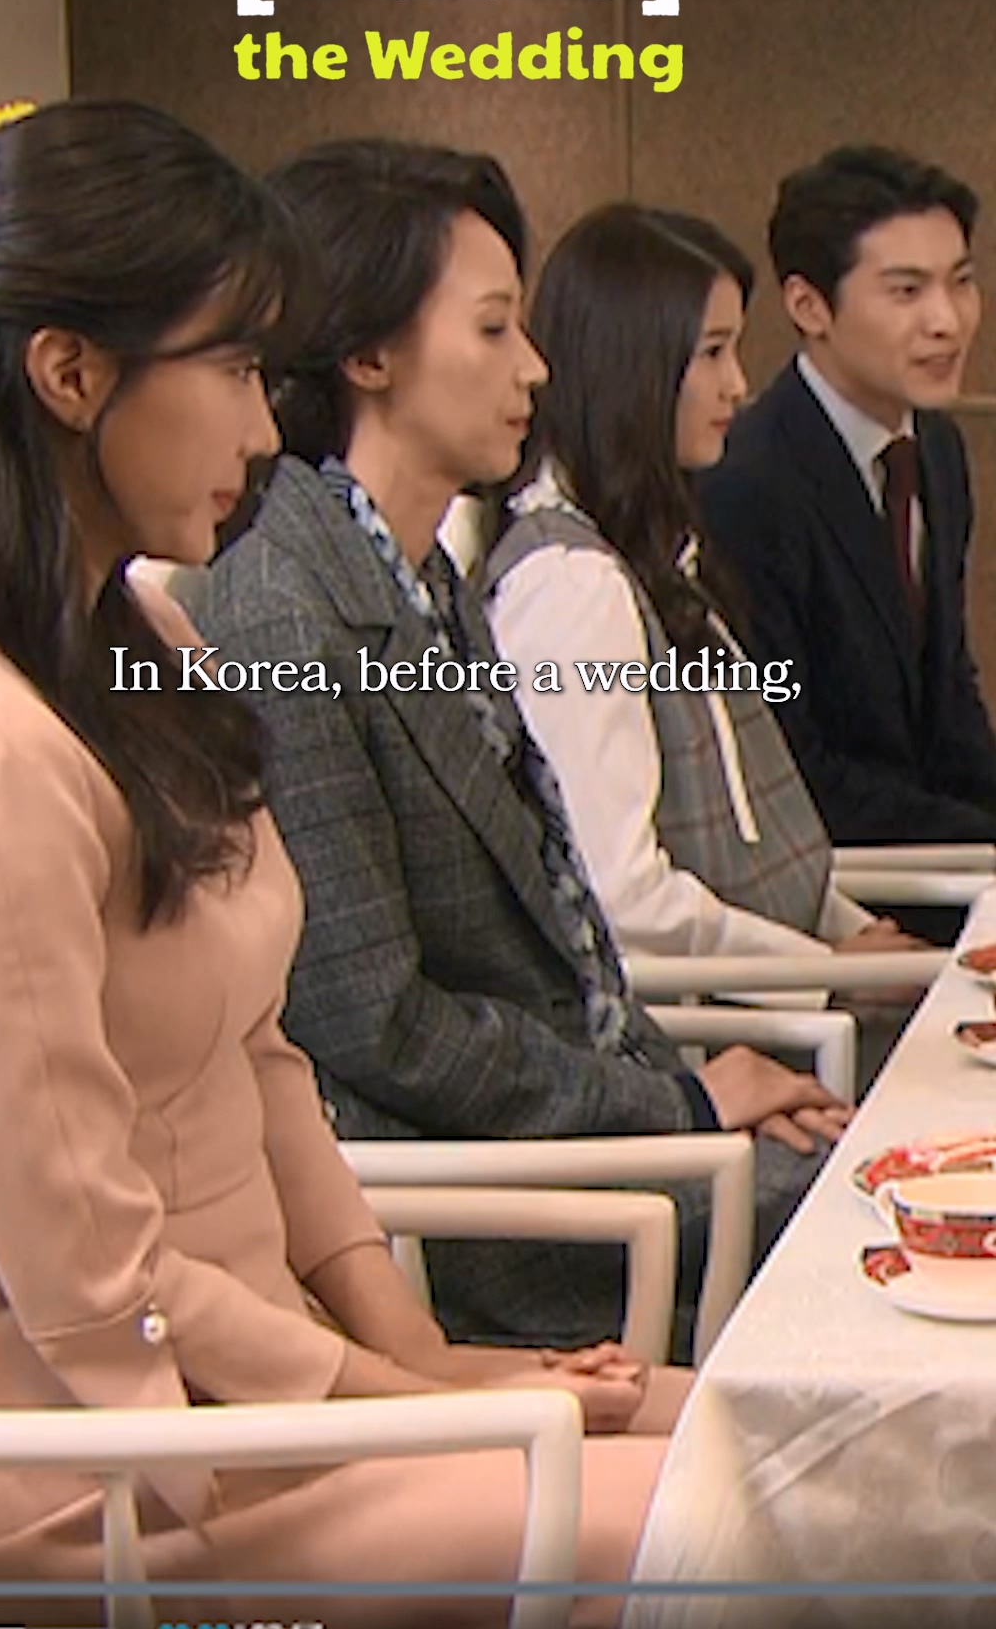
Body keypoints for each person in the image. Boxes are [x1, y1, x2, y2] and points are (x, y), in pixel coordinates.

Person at [0, 100, 687, 1629]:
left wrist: (407, 1347)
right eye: (230, 372)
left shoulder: (152, 652)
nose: (270, 432)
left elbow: (264, 1059)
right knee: (739, 1516)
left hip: (256, 1396)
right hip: (92, 1471)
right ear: (71, 374)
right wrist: (397, 1391)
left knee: (759, 1424)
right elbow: (89, 1285)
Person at [180, 138, 852, 1367]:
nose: (534, 368)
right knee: (877, 1228)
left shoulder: (420, 570)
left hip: (587, 1146)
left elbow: (563, 944)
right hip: (479, 1218)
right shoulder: (285, 603)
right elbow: (374, 1022)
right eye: (493, 331)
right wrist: (683, 1102)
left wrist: (691, 1081)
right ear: (367, 354)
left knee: (881, 1174)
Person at [483, 204, 919, 1010]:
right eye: (712, 352)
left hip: (779, 1001)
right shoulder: (572, 589)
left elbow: (752, 839)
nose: (738, 385)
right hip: (721, 1038)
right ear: (635, 366)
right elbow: (619, 895)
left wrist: (854, 944)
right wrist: (825, 973)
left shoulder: (651, 554)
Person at [700, 144, 996, 854]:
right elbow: (792, 767)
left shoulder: (938, 449)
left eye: (960, 282)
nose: (947, 321)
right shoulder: (746, 481)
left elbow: (948, 704)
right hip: (837, 886)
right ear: (809, 306)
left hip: (941, 858)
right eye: (906, 291)